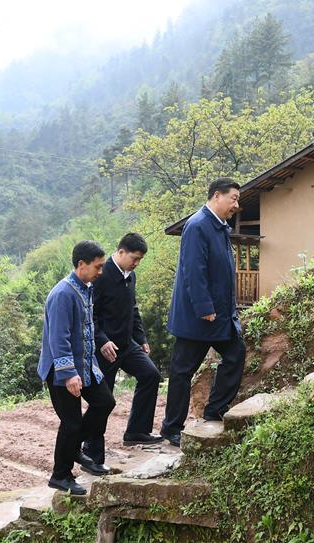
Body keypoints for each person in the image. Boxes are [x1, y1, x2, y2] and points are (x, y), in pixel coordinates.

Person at [160, 178, 246, 447]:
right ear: (216, 196)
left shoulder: (219, 227)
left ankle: (214, 410)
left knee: (235, 353)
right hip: (199, 317)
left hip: (220, 315)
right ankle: (171, 428)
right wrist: (204, 308)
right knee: (182, 371)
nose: (236, 205)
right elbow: (193, 270)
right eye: (233, 198)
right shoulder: (197, 225)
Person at [37, 241, 116, 495]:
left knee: (105, 402)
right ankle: (60, 475)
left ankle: (73, 450)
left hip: (85, 364)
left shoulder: (86, 288)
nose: (101, 271)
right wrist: (68, 373)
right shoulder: (63, 294)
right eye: (98, 266)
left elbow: (86, 328)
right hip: (62, 369)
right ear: (81, 265)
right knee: (70, 423)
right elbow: (58, 338)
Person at [81, 233, 163, 467]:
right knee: (103, 401)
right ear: (120, 252)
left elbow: (133, 309)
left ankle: (137, 431)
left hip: (127, 344)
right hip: (105, 349)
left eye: (140, 260)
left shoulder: (131, 276)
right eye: (134, 258)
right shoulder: (101, 275)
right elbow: (89, 314)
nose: (136, 263)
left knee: (151, 375)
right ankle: (91, 450)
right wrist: (102, 340)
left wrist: (141, 337)